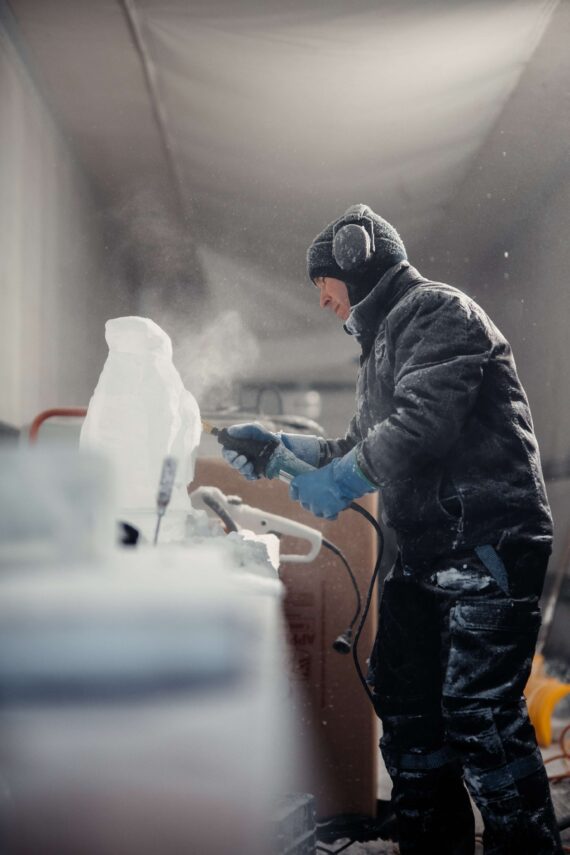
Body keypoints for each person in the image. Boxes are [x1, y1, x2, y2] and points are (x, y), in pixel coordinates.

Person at [223, 203, 563, 854]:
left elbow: (421, 425)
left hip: (485, 542)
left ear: (357, 259)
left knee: (478, 713)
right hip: (430, 553)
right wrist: (276, 450)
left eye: (324, 282)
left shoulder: (438, 313)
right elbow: (359, 443)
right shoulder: (384, 347)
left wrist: (342, 480)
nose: (322, 300)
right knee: (407, 702)